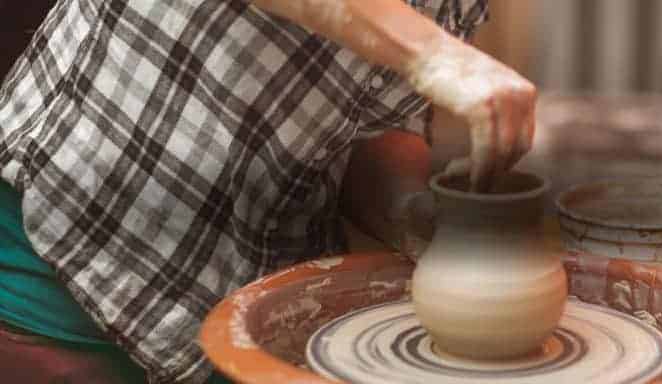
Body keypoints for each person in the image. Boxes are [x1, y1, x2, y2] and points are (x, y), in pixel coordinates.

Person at [0, 0, 535, 382]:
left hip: (255, 308)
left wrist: (416, 216)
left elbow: (374, 123)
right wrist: (432, 53)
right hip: (70, 269)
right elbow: (419, 54)